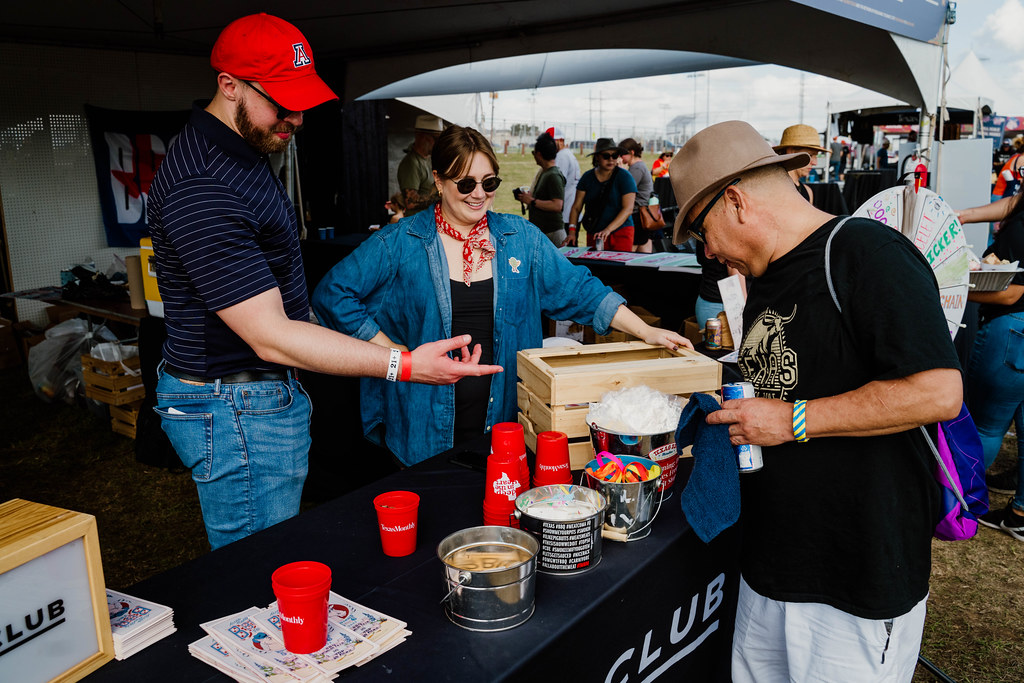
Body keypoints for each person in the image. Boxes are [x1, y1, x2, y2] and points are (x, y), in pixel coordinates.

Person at [148, 14, 500, 550]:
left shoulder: (241, 148)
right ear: (229, 85)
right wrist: (403, 365)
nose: (297, 118)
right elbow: (269, 334)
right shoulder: (204, 182)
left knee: (274, 557)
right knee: (258, 571)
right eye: (281, 101)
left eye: (302, 101)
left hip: (255, 396)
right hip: (238, 405)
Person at [670, 120, 962, 681]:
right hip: (771, 569)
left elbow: (939, 391)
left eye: (702, 233)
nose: (707, 252)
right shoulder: (768, 277)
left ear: (736, 202)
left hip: (852, 580)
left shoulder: (868, 254)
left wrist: (793, 419)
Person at [312, 125, 690, 465]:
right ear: (440, 181)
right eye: (466, 184)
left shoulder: (519, 239)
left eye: (489, 183)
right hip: (421, 430)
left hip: (505, 433)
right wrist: (397, 356)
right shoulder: (401, 241)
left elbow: (581, 290)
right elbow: (333, 294)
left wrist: (647, 331)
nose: (479, 195)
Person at [958, 190, 1024, 539]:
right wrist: (966, 214)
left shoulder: (1020, 227)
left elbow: (1012, 291)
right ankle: (1019, 513)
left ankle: (964, 502)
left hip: (1010, 329)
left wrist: (952, 286)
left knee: (985, 426)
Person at [566, 138, 638, 251]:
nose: (610, 159)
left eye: (614, 156)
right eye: (606, 156)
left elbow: (628, 209)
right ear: (597, 157)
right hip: (595, 232)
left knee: (619, 267)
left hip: (620, 233)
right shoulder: (587, 178)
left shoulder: (625, 177)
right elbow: (576, 207)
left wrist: (608, 230)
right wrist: (572, 232)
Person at [516, 132, 566, 246]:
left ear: (539, 154)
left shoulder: (553, 175)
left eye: (533, 153)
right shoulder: (545, 173)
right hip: (546, 232)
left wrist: (531, 201)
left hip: (553, 234)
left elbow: (557, 205)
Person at [397, 114, 443, 215]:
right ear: (422, 137)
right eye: (435, 138)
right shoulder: (411, 163)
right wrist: (441, 195)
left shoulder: (429, 159)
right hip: (418, 224)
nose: (438, 143)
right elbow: (410, 202)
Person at [773, 124, 826, 205]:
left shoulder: (808, 191)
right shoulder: (775, 189)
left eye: (816, 156)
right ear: (792, 152)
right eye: (810, 155)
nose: (815, 163)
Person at [620, 138, 655, 253]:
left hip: (637, 214)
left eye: (622, 154)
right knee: (644, 248)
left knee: (631, 250)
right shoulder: (639, 166)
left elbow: (626, 189)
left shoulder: (637, 168)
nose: (620, 157)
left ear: (632, 152)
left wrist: (620, 171)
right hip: (642, 213)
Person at [546, 125, 581, 237]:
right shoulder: (568, 154)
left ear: (560, 140)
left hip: (565, 215)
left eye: (551, 141)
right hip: (572, 214)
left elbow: (556, 183)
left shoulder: (561, 156)